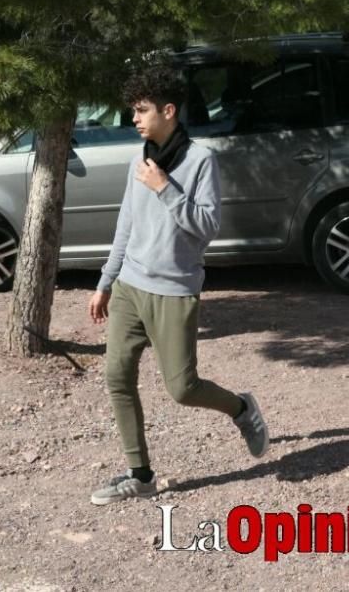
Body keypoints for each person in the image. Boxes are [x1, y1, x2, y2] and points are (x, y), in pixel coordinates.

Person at [88, 65, 269, 506]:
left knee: (183, 388)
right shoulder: (140, 159)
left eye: (142, 109)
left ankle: (242, 409)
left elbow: (205, 227)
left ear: (168, 111)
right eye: (133, 110)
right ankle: (140, 474)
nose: (135, 118)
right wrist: (105, 281)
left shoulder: (200, 161)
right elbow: (126, 225)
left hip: (174, 289)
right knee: (117, 376)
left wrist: (166, 187)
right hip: (130, 284)